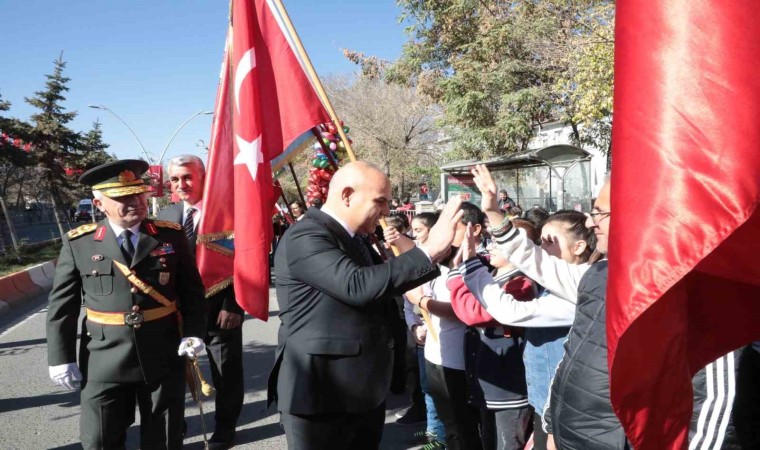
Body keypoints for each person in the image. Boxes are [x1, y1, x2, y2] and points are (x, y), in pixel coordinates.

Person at [267, 161, 463, 450]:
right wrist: (429, 250)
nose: (386, 211)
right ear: (346, 195)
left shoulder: (355, 237)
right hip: (320, 394)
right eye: (380, 201)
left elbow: (384, 287)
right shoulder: (306, 235)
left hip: (361, 390)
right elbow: (359, 286)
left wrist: (441, 256)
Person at [46, 159, 207, 450]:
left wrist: (194, 332)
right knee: (100, 439)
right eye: (123, 197)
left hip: (162, 352)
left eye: (138, 193)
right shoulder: (80, 243)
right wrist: (61, 357)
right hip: (104, 359)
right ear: (99, 203)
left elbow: (192, 291)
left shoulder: (169, 235)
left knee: (165, 438)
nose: (135, 202)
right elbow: (63, 307)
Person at [471, 163, 620, 450]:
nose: (591, 222)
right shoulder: (595, 277)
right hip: (558, 413)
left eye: (599, 212)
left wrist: (466, 267)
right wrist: (492, 211)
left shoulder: (587, 287)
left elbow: (510, 310)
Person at [159, 154, 244, 449]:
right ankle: (178, 427)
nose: (181, 184)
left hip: (220, 309)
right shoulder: (165, 218)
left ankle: (225, 429)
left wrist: (234, 305)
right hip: (177, 313)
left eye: (188, 177)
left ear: (204, 176)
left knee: (226, 374)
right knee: (175, 373)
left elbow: (246, 261)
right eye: (175, 179)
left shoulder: (228, 212)